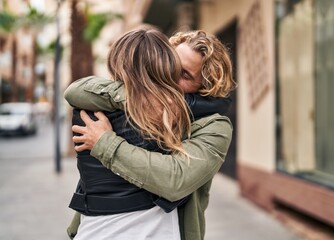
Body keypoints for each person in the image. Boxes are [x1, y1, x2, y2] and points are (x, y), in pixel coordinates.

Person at [65, 30, 236, 240]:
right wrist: (140, 100)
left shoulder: (214, 126)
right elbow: (75, 91)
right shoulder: (137, 93)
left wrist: (104, 143)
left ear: (206, 87)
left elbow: (175, 181)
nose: (171, 75)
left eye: (184, 75)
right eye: (171, 64)